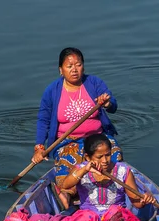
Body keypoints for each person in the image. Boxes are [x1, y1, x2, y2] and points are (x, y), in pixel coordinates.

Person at [31, 47, 123, 209]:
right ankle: (66, 194)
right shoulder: (52, 91)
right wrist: (39, 147)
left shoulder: (94, 83)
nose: (74, 69)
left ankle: (114, 191)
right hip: (67, 142)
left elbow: (113, 105)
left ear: (83, 67)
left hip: (97, 138)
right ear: (61, 70)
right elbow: (43, 120)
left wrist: (106, 102)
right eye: (69, 66)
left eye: (78, 65)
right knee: (65, 172)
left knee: (115, 160)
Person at [59, 133, 156, 221]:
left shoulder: (123, 170)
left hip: (114, 220)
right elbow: (65, 185)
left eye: (108, 155)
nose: (105, 160)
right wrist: (85, 170)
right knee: (87, 218)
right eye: (99, 157)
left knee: (115, 213)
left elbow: (137, 203)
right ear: (88, 158)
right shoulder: (80, 169)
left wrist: (145, 199)